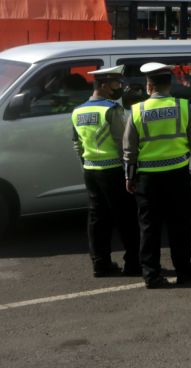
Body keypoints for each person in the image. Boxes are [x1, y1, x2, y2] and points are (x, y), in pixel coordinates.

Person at [123, 62, 191, 289]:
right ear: (170, 84)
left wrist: (129, 176)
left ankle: (151, 275)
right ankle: (184, 272)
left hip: (148, 179)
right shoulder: (183, 106)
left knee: (149, 228)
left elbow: (129, 149)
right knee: (180, 226)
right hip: (177, 176)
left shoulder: (137, 110)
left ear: (149, 86)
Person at [71, 65, 140, 278]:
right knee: (126, 218)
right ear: (103, 85)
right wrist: (130, 171)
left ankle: (100, 264)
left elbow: (77, 145)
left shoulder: (78, 110)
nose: (119, 87)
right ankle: (133, 265)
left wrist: (85, 164)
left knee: (97, 219)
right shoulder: (112, 109)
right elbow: (123, 143)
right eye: (116, 83)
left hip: (91, 170)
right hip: (114, 171)